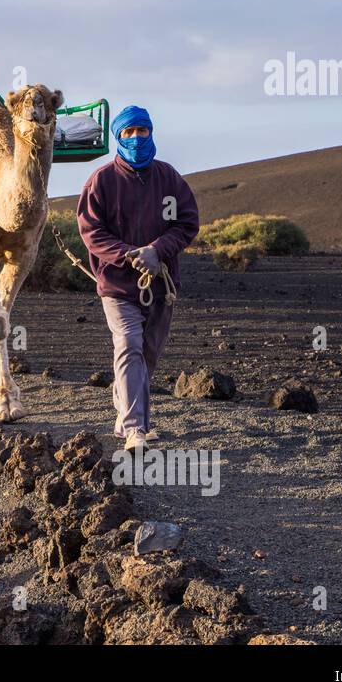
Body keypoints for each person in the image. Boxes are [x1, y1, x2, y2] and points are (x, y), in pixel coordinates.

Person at [76, 105, 199, 451]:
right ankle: (135, 429)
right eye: (128, 133)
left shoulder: (169, 179)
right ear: (118, 137)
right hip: (117, 285)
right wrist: (130, 255)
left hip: (161, 285)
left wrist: (157, 250)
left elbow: (186, 224)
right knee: (128, 344)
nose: (135, 138)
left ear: (150, 133)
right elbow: (90, 231)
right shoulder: (102, 181)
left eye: (140, 131)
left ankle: (124, 408)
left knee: (147, 354)